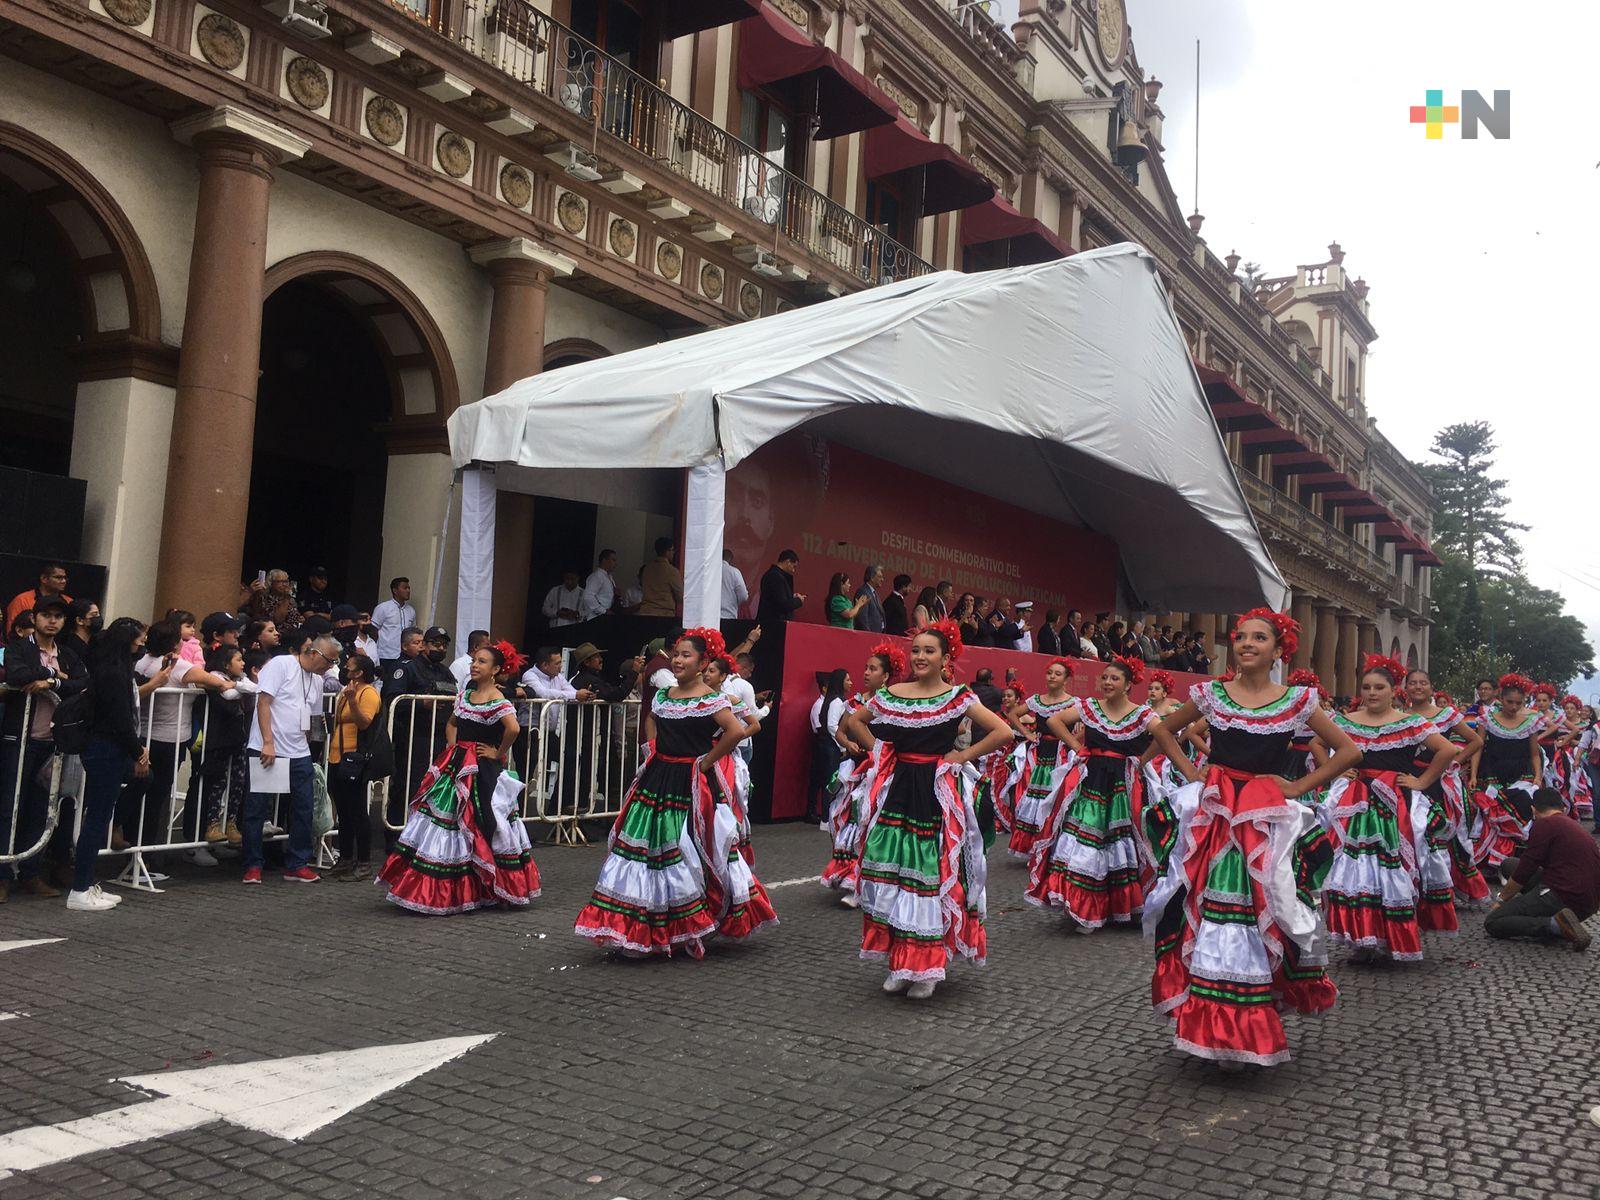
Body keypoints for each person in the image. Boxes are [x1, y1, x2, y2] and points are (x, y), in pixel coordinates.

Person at [1144, 607, 1362, 1066]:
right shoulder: (1212, 694)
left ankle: (1248, 1015)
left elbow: (1349, 750)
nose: (1246, 644)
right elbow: (1164, 729)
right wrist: (1193, 774)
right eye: (1240, 636)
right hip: (1218, 814)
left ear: (1278, 649)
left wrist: (1299, 786)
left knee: (1268, 905)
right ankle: (1213, 1017)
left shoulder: (1298, 701)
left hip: (1264, 818)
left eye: (1258, 638)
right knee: (1210, 904)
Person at [574, 628, 777, 957]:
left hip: (690, 784)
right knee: (645, 850)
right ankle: (642, 925)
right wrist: (652, 748)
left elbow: (737, 730)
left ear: (703, 662)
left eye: (687, 655)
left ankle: (687, 923)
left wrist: (705, 762)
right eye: (678, 654)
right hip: (657, 778)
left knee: (685, 849)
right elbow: (652, 720)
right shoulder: (665, 695)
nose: (679, 660)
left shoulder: (710, 699)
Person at [842, 621, 1010, 999]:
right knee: (891, 869)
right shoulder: (892, 693)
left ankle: (926, 966)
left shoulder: (958, 697)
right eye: (916, 649)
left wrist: (961, 756)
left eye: (929, 651)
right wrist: (880, 753)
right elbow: (854, 721)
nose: (920, 656)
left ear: (945, 658)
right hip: (899, 787)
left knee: (927, 875)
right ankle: (902, 961)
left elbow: (1003, 732)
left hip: (935, 791)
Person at [1311, 654, 1459, 962]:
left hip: (1396, 805)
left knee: (1393, 869)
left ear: (1394, 691)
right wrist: (1337, 770)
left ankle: (1390, 936)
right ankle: (1364, 937)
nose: (1372, 693)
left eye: (1379, 687)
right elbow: (1316, 744)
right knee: (1356, 869)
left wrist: (1422, 781)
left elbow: (1447, 749)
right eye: (1366, 687)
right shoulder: (1346, 721)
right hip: (1355, 802)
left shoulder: (1410, 723)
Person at [379, 641, 541, 913]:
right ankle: (450, 887)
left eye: (482, 662)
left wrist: (497, 752)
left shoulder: (498, 699)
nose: (475, 665)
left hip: (481, 768)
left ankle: (486, 883)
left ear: (496, 669)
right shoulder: (466, 694)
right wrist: (454, 747)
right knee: (445, 818)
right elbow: (452, 723)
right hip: (456, 764)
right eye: (474, 660)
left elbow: (513, 729)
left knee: (483, 818)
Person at [1030, 656, 1156, 931]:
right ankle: (1082, 904)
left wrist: (1143, 760)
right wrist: (1077, 746)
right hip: (1091, 779)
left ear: (1127, 685)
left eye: (1115, 679)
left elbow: (1166, 734)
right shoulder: (1090, 707)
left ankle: (1117, 904)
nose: (1108, 682)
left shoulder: (1141, 713)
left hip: (1122, 784)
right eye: (1105, 678)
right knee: (1086, 837)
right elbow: (1055, 721)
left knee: (1120, 840)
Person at [0, 595, 86, 900]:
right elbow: (17, 674)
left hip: (52, 745)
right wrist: (52, 674)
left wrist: (53, 684)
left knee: (42, 810)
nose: (52, 621)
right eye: (46, 615)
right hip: (18, 741)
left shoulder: (68, 653)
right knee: (9, 807)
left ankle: (31, 873)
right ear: (35, 618)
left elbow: (82, 682)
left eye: (58, 616)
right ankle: (3, 875)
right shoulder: (20, 647)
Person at [243, 633, 342, 884]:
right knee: (258, 807)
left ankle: (297, 862)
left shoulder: (317, 681)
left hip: (299, 751)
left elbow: (313, 719)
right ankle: (253, 864)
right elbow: (263, 703)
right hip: (270, 748)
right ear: (314, 653)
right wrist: (267, 742)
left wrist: (312, 747)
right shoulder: (281, 664)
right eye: (329, 661)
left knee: (304, 807)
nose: (330, 667)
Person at [66, 618, 151, 911]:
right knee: (97, 817)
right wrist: (138, 750)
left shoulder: (116, 669)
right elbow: (120, 719)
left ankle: (87, 883)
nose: (142, 643)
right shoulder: (113, 673)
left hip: (109, 747)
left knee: (101, 815)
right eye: (139, 638)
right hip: (106, 748)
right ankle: (79, 888)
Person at [821, 643, 905, 905]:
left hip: (883, 771)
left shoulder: (894, 702)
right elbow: (841, 730)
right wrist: (849, 744)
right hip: (858, 770)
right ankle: (852, 879)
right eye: (866, 668)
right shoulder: (856, 702)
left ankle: (869, 883)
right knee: (851, 820)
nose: (866, 673)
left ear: (886, 676)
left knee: (874, 823)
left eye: (873, 669)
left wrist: (879, 752)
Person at [1404, 669, 1490, 910]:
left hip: (1437, 782)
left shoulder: (1446, 714)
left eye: (1423, 683)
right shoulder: (1400, 715)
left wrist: (1455, 761)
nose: (1418, 687)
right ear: (1405, 688)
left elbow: (1476, 741)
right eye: (1412, 683)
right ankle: (1416, 883)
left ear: (1431, 688)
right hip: (1409, 778)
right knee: (1411, 831)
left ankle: (1440, 885)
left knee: (1439, 832)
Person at [1485, 787, 1598, 949]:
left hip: (1563, 895)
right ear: (1562, 808)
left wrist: (1501, 900)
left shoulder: (1545, 824)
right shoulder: (1573, 826)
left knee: (1493, 921)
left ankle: (1555, 925)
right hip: (1587, 901)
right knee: (1510, 864)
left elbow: (1525, 870)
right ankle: (1556, 916)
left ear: (1533, 810)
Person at [1468, 673, 1544, 876]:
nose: (1513, 707)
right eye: (1509, 702)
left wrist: (1538, 775)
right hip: (1492, 772)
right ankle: (1490, 862)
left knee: (1520, 812)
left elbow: (1534, 752)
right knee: (1491, 815)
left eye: (1518, 703)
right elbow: (1478, 748)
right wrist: (1473, 775)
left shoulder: (1530, 721)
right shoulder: (1487, 719)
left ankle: (1512, 863)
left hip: (1521, 773)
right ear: (1501, 698)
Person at [1007, 659, 1081, 860]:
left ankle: (1055, 845)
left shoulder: (1074, 703)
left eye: (1058, 674)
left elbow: (1087, 723)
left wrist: (1075, 741)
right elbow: (1013, 714)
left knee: (1059, 797)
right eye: (1049, 673)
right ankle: (1036, 844)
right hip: (1041, 756)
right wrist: (1027, 733)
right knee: (1038, 798)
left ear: (1066, 679)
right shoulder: (1036, 700)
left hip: (1062, 754)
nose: (1052, 677)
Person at [326, 652, 382, 881]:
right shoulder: (348, 690)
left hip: (355, 759)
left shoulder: (368, 693)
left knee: (358, 811)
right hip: (337, 757)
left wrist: (351, 700)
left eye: (348, 667)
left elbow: (364, 722)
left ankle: (365, 862)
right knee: (344, 811)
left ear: (359, 673)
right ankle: (346, 858)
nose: (344, 670)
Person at [807, 668, 851, 823]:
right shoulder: (836, 702)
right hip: (830, 746)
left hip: (828, 746)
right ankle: (827, 817)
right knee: (830, 781)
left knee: (828, 780)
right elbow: (832, 726)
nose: (850, 683)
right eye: (847, 680)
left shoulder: (831, 700)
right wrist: (843, 746)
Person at [5, 561, 70, 628]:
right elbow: (12, 631)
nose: (64, 581)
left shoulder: (69, 601)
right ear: (44, 578)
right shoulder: (22, 600)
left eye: (65, 578)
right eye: (58, 577)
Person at [371, 577, 415, 673]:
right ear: (395, 590)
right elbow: (373, 630)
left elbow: (412, 633)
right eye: (405, 588)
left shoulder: (411, 611)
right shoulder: (383, 608)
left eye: (409, 588)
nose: (408, 591)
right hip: (386, 655)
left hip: (405, 655)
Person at [756, 549, 805, 627]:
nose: (793, 570)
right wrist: (799, 601)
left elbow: (777, 597)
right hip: (773, 624)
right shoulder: (775, 577)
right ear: (788, 562)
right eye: (793, 566)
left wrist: (792, 597)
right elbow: (782, 604)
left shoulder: (774, 575)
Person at [637, 537, 683, 618]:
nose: (673, 553)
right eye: (672, 550)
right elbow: (680, 596)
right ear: (667, 551)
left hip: (645, 612)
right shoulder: (671, 571)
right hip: (663, 614)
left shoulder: (647, 569)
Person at [582, 550, 620, 622]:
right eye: (613, 560)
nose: (615, 564)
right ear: (604, 560)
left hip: (605, 617)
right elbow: (588, 596)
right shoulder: (597, 576)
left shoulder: (609, 577)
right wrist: (603, 611)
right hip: (595, 617)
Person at [854, 565, 886, 634]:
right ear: (872, 577)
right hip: (869, 636)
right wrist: (868, 635)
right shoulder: (863, 591)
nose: (882, 579)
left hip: (878, 635)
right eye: (880, 577)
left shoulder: (874, 593)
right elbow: (862, 618)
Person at [719, 548, 748, 620]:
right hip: (728, 615)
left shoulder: (708, 571)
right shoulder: (734, 572)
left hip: (709, 617)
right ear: (730, 559)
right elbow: (744, 596)